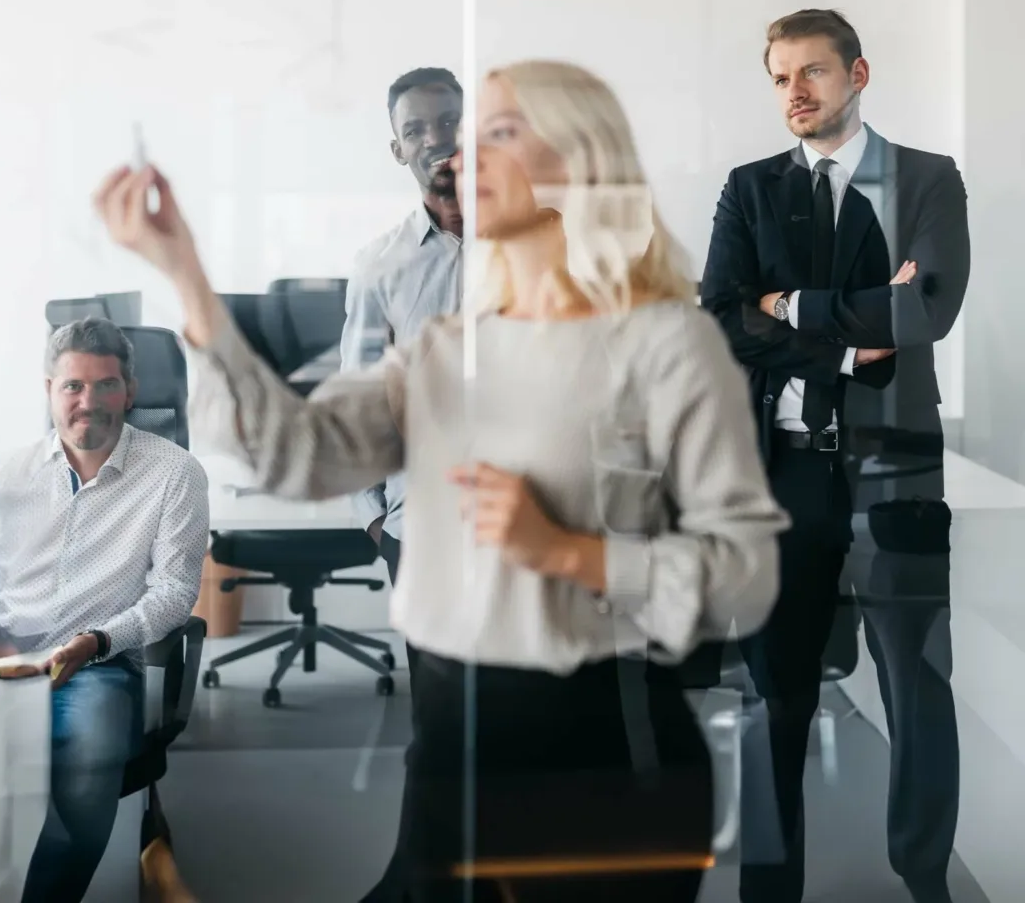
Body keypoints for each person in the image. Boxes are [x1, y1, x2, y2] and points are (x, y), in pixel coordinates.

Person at [93, 57, 788, 902]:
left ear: (569, 164)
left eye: (493, 134)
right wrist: (186, 276)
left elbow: (743, 578)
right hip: (461, 735)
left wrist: (568, 552)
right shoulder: (442, 351)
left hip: (607, 742)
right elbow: (293, 453)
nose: (456, 156)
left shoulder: (662, 346)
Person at [700, 8, 968, 903]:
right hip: (783, 472)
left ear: (859, 73)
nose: (794, 94)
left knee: (917, 688)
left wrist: (787, 307)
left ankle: (927, 879)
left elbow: (922, 311)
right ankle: (768, 892)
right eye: (780, 77)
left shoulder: (927, 180)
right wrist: (851, 339)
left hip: (896, 467)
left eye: (812, 73)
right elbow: (721, 319)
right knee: (774, 699)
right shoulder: (749, 188)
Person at [0, 317, 209, 903]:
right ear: (49, 391)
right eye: (73, 387)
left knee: (87, 762)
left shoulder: (173, 473)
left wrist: (95, 642)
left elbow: (174, 592)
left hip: (98, 661)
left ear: (130, 391)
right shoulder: (5, 475)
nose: (90, 402)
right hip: (3, 654)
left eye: (106, 385)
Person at [339, 66, 463, 668]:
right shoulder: (378, 268)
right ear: (398, 151)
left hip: (530, 522)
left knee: (528, 725)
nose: (435, 138)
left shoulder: (539, 247)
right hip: (421, 528)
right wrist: (376, 522)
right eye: (415, 130)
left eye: (449, 120)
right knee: (441, 719)